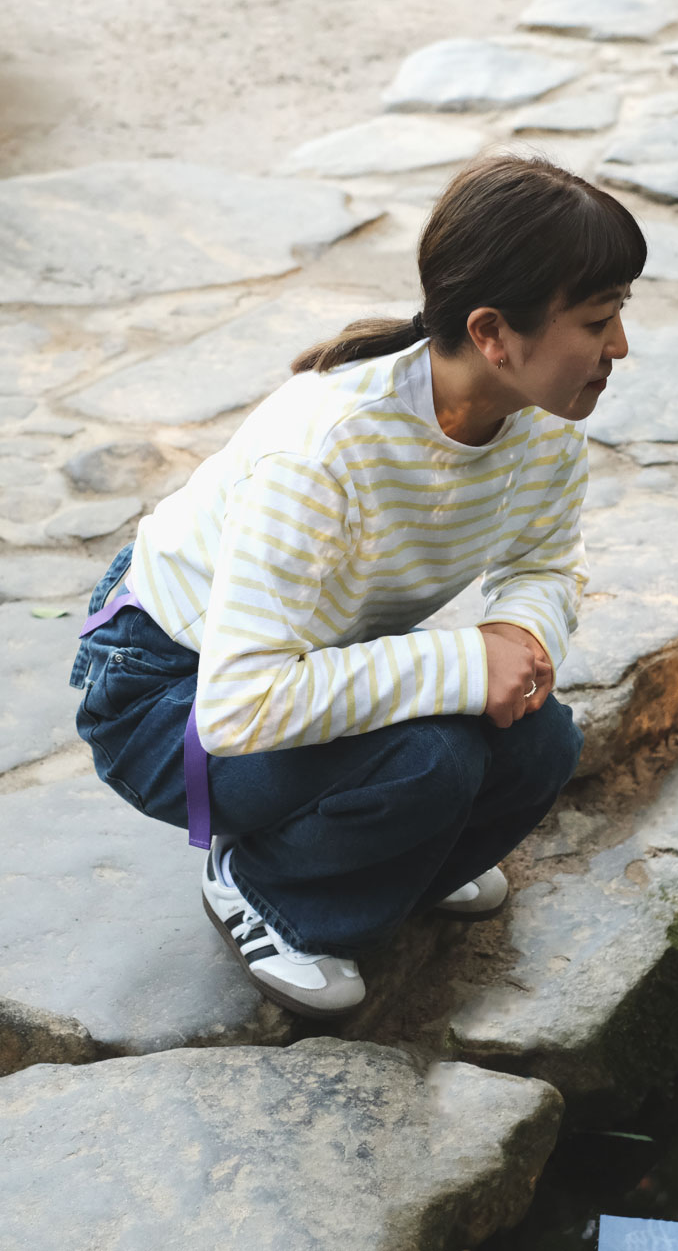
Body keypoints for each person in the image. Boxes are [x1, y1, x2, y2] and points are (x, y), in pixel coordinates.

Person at [69, 154, 646, 1019]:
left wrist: (523, 638)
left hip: (300, 662)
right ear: (493, 334)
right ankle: (260, 890)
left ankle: (397, 864)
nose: (620, 348)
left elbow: (542, 566)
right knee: (431, 763)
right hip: (166, 693)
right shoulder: (325, 454)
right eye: (599, 320)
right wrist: (463, 667)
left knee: (542, 747)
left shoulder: (540, 428)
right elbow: (239, 707)